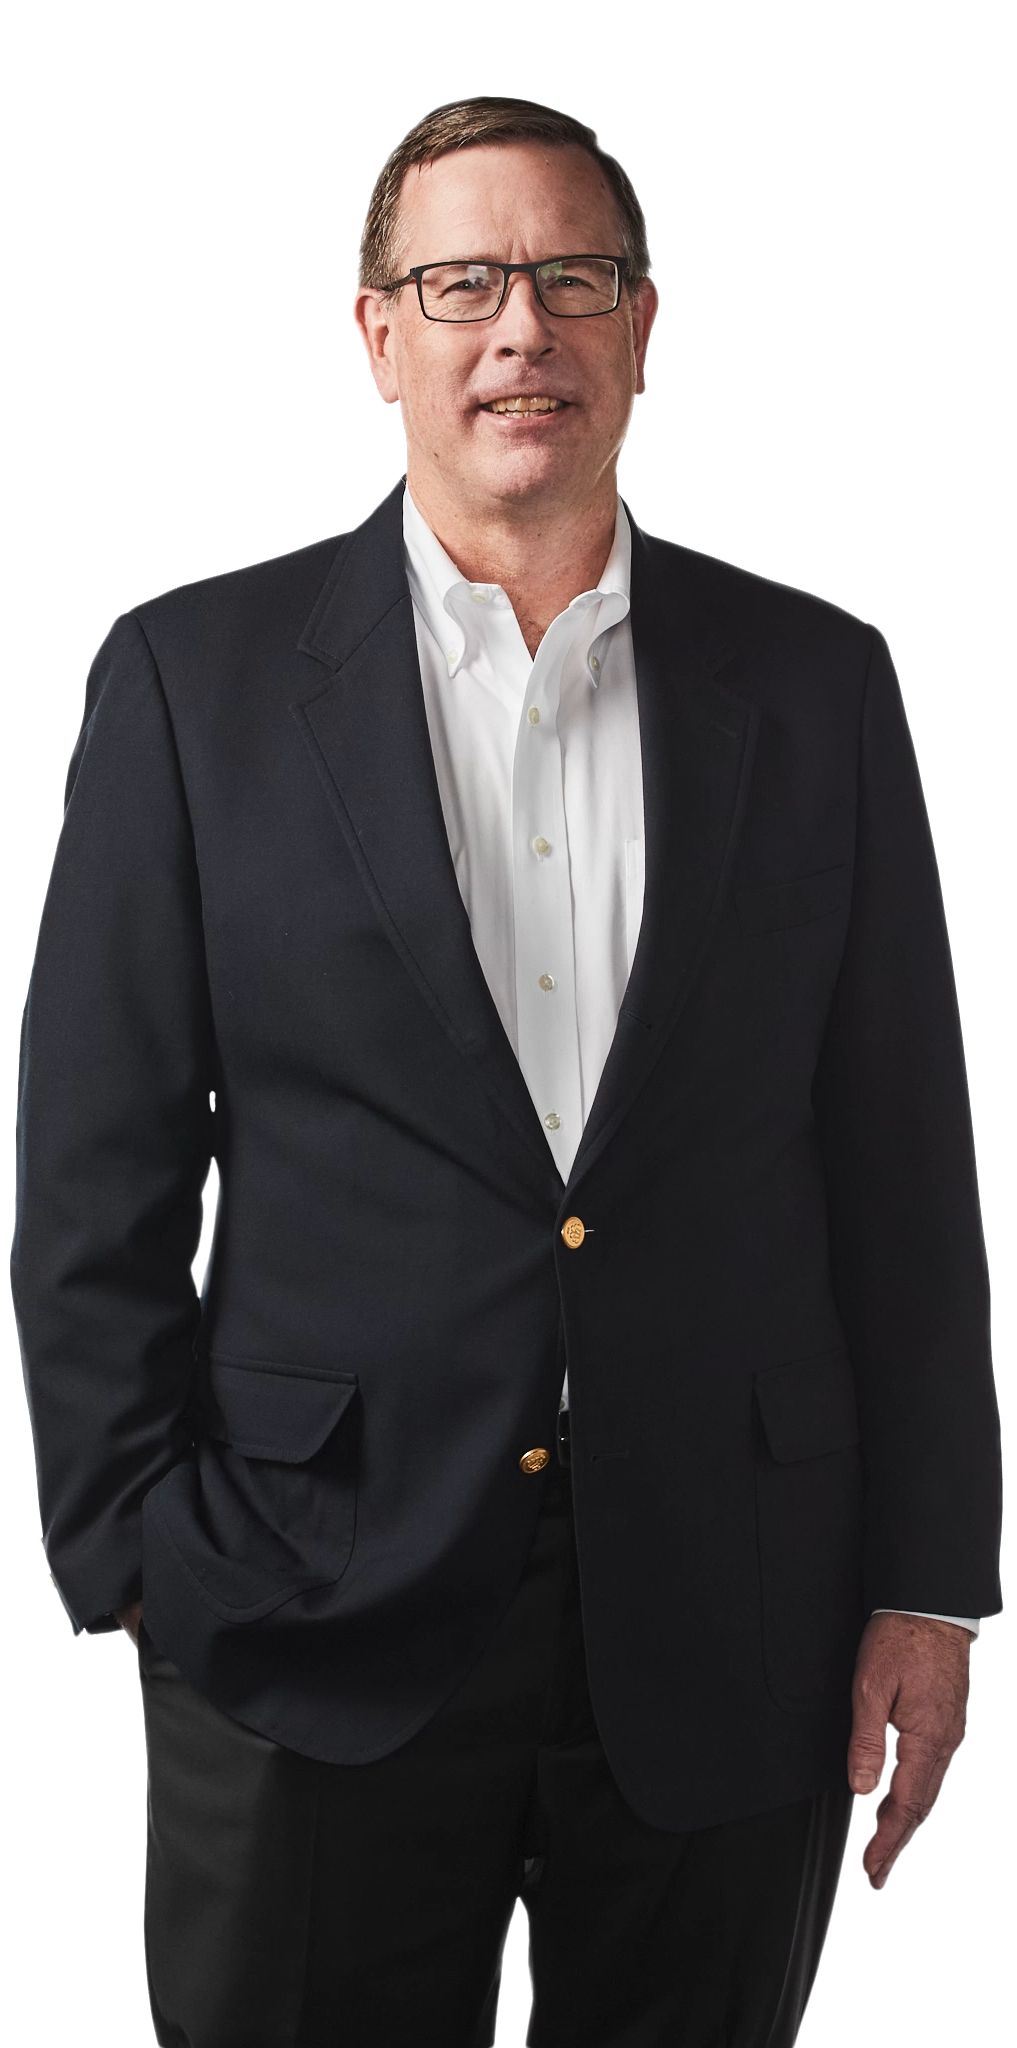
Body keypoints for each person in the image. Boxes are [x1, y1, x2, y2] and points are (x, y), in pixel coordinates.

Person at [13, 95, 1000, 2048]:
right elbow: (94, 1173)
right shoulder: (192, 680)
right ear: (379, 334)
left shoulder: (818, 681)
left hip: (739, 1595)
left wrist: (932, 1581)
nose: (520, 329)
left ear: (644, 326)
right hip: (303, 1600)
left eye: (571, 277)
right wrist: (129, 1551)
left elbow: (903, 1168)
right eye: (464, 281)